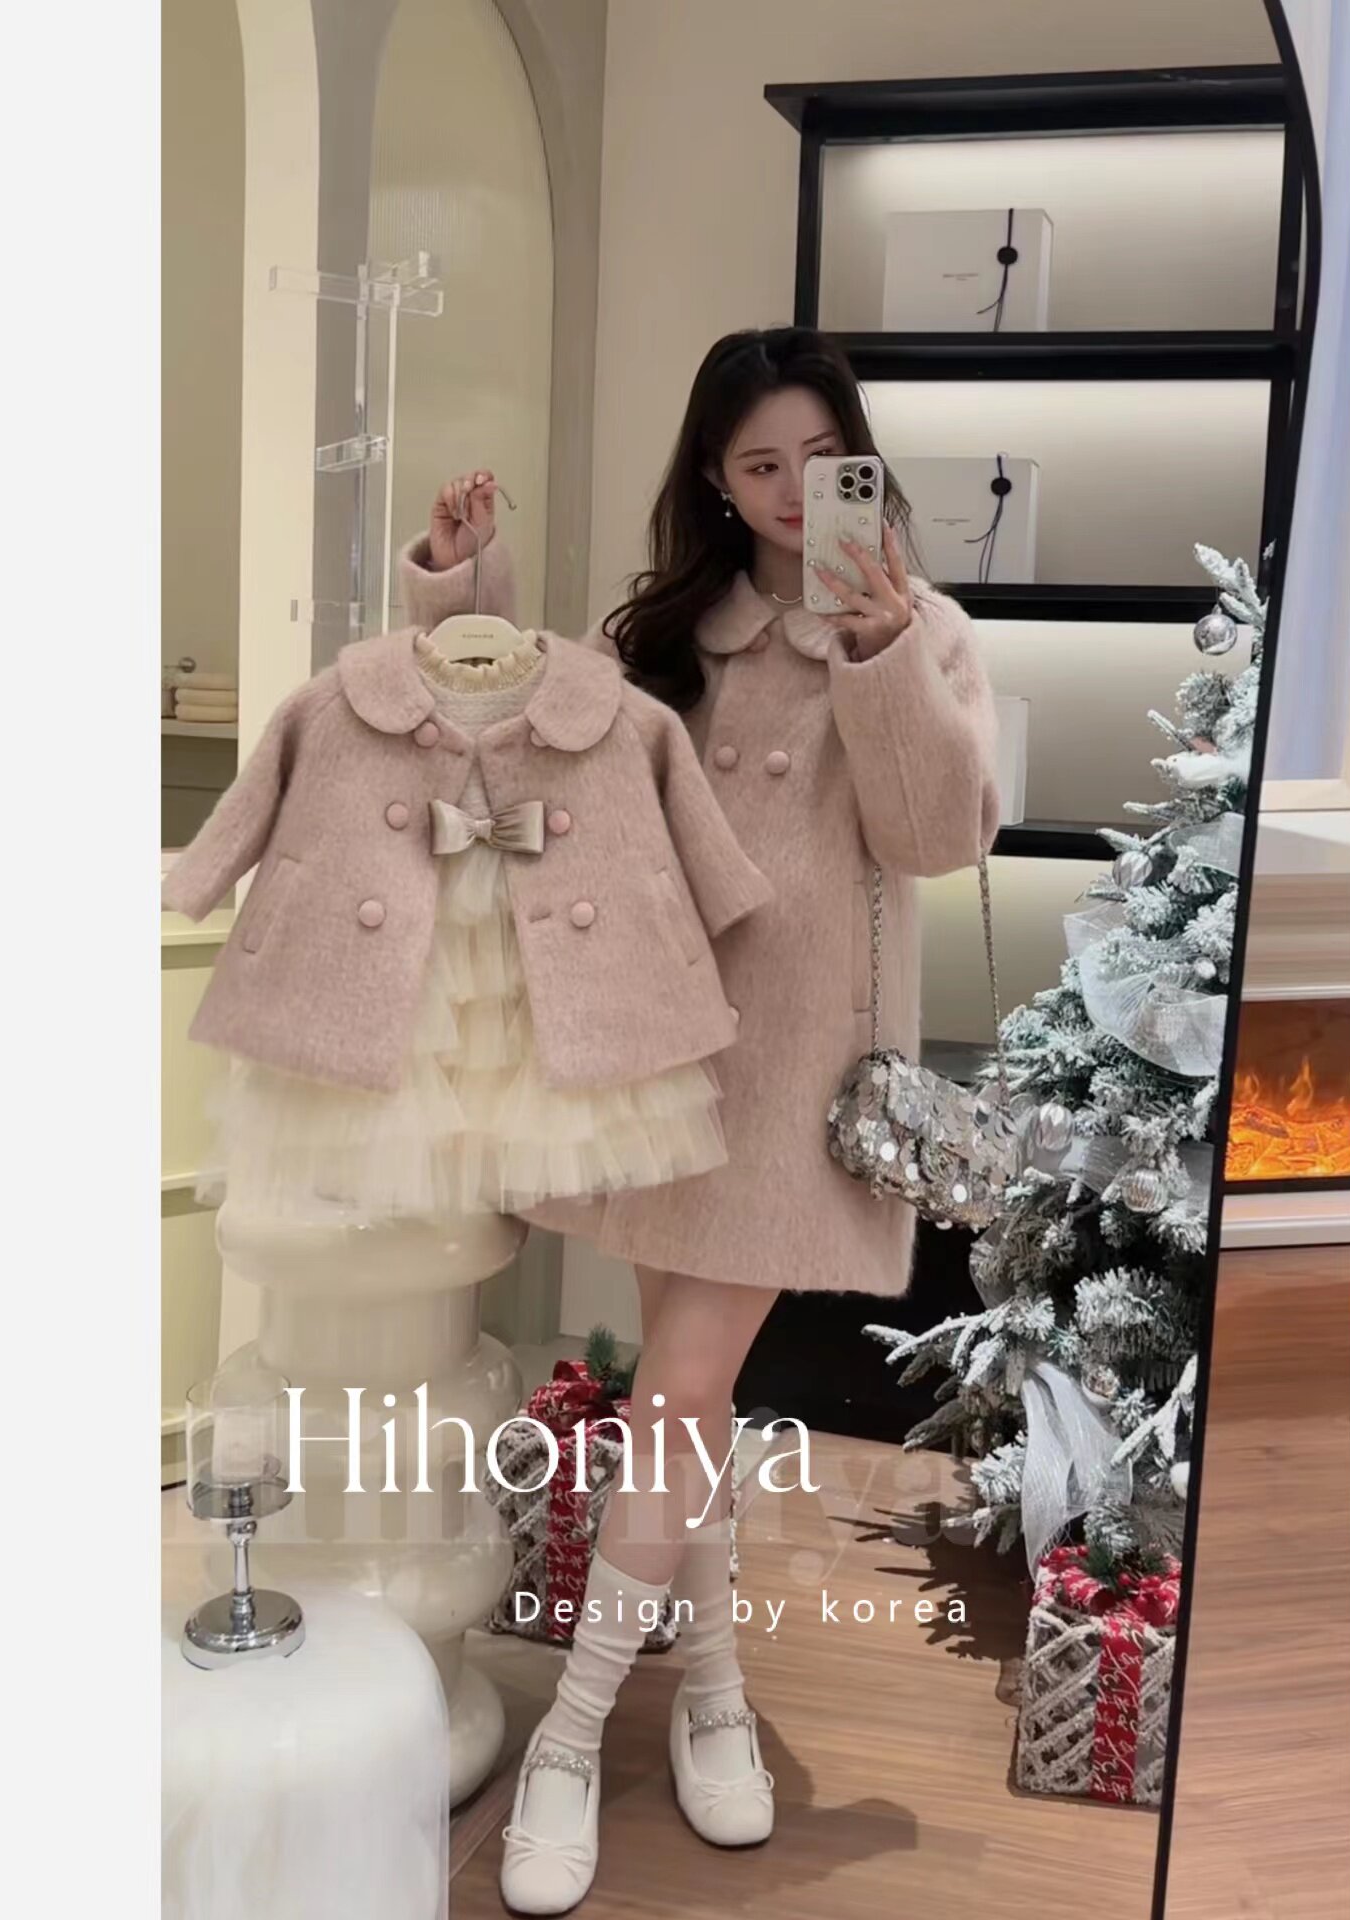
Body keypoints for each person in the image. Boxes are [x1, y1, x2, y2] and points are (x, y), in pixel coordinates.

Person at [401, 326, 1001, 1914]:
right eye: (761, 466)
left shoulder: (924, 631)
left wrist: (878, 654)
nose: (798, 493)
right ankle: (715, 1693)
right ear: (719, 484)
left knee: (675, 1390)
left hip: (793, 1079)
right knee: (695, 1400)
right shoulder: (673, 636)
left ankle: (572, 1734)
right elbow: (518, 747)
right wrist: (463, 592)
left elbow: (936, 833)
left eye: (824, 459)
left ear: (861, 459)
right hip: (652, 1058)